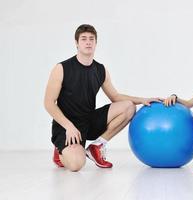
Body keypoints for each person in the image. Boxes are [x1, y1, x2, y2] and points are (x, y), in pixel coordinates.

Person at [44, 24, 160, 172]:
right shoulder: (61, 68)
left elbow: (115, 96)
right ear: (76, 43)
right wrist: (68, 126)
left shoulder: (100, 69)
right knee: (76, 165)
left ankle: (96, 146)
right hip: (66, 127)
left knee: (129, 106)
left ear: (96, 43)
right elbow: (48, 103)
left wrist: (142, 100)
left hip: (88, 121)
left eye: (91, 39)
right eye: (84, 39)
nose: (88, 42)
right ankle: (60, 151)